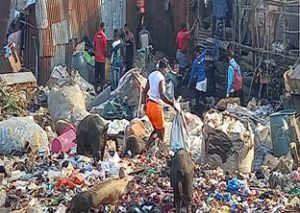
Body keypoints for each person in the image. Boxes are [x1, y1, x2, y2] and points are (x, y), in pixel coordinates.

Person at [144, 61, 176, 151]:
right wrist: (172, 104)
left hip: (149, 106)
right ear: (163, 68)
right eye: (166, 70)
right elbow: (162, 95)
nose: (166, 72)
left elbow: (145, 91)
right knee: (161, 132)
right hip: (156, 108)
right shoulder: (161, 78)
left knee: (156, 130)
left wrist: (145, 105)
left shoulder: (151, 75)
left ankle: (146, 148)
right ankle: (161, 153)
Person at [188, 45, 207, 115]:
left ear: (196, 52)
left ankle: (197, 111)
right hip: (204, 79)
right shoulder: (203, 57)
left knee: (197, 96)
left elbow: (192, 74)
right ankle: (206, 107)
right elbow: (206, 49)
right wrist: (201, 46)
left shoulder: (195, 62)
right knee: (203, 94)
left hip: (199, 81)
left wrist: (189, 83)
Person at [94, 22, 107, 92]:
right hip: (102, 59)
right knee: (102, 76)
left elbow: (94, 45)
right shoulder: (104, 36)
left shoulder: (96, 35)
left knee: (96, 75)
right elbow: (105, 48)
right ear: (103, 27)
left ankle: (95, 89)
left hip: (96, 58)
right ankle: (102, 90)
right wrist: (105, 55)